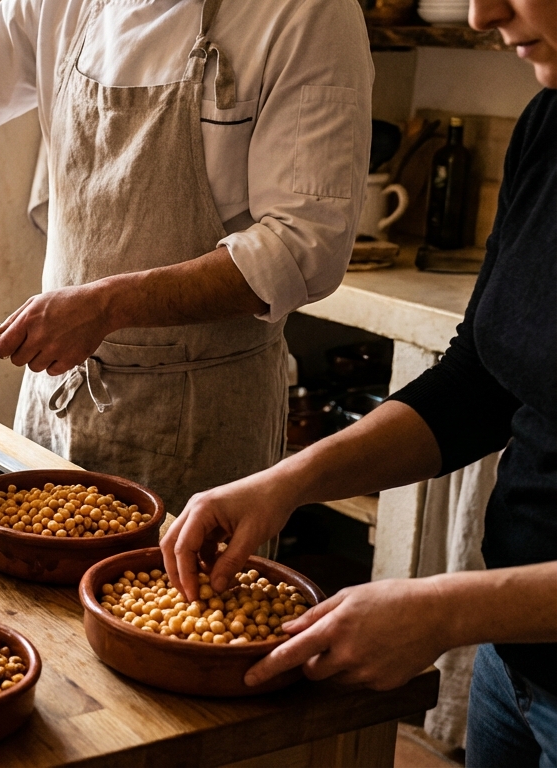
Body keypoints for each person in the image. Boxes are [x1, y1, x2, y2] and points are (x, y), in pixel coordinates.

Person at [161, 1, 557, 763]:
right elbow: (478, 386)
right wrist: (284, 482)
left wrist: (444, 611)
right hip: (516, 670)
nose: (482, 13)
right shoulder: (547, 126)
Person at [0, 0, 372, 512]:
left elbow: (304, 247)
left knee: (179, 606)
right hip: (57, 401)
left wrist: (107, 307)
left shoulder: (309, 14)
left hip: (199, 419)